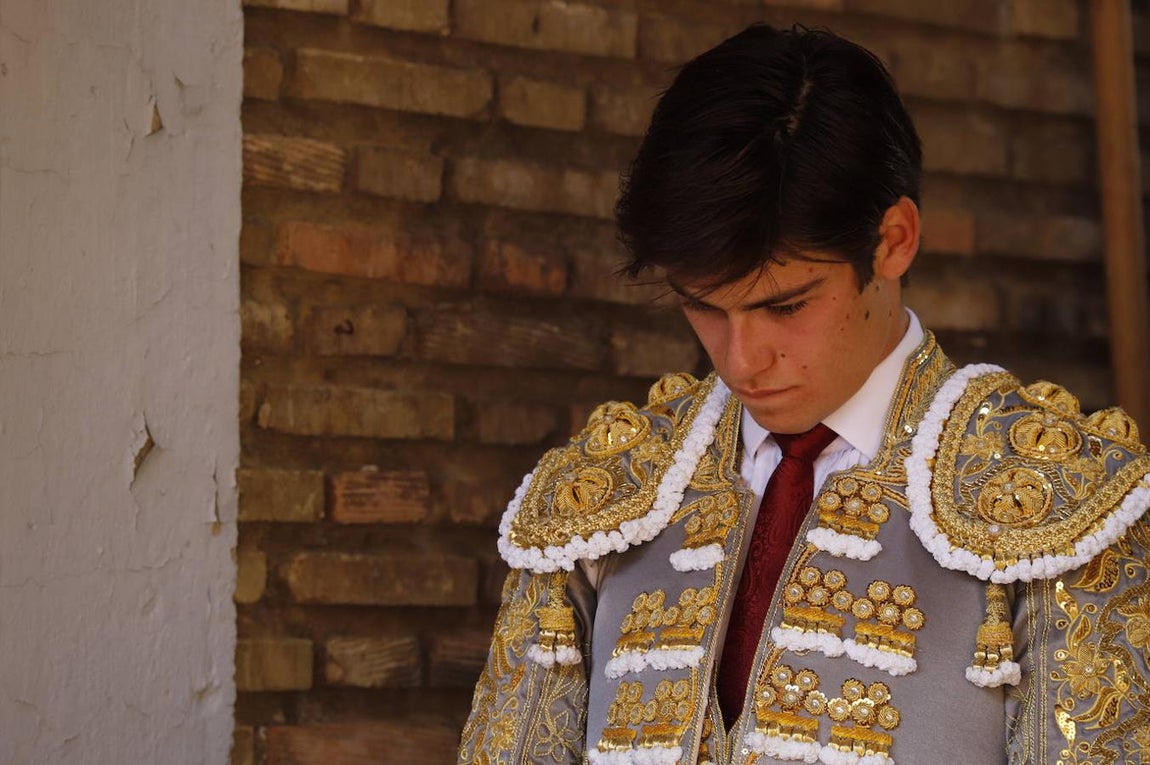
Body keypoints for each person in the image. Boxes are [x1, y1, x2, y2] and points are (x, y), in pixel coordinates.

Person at [458, 22, 1150, 765]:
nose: (742, 359)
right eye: (704, 306)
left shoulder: (1069, 505)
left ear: (894, 240)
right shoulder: (592, 504)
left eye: (784, 306)